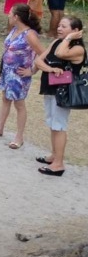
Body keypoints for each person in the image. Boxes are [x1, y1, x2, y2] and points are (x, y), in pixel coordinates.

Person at [34, 16, 84, 177]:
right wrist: (50, 69)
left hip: (63, 92)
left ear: (76, 31)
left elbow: (61, 53)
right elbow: (39, 60)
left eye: (64, 26)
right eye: (60, 25)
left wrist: (69, 39)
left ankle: (58, 164)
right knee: (52, 122)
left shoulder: (78, 49)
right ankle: (54, 155)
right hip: (50, 87)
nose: (59, 28)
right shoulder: (56, 42)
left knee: (59, 125)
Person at [0, 3, 44, 149]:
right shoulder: (14, 30)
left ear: (16, 17)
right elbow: (6, 51)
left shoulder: (30, 34)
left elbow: (43, 54)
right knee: (5, 99)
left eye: (10, 13)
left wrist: (32, 70)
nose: (8, 15)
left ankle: (19, 137)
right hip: (7, 72)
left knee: (19, 104)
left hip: (20, 76)